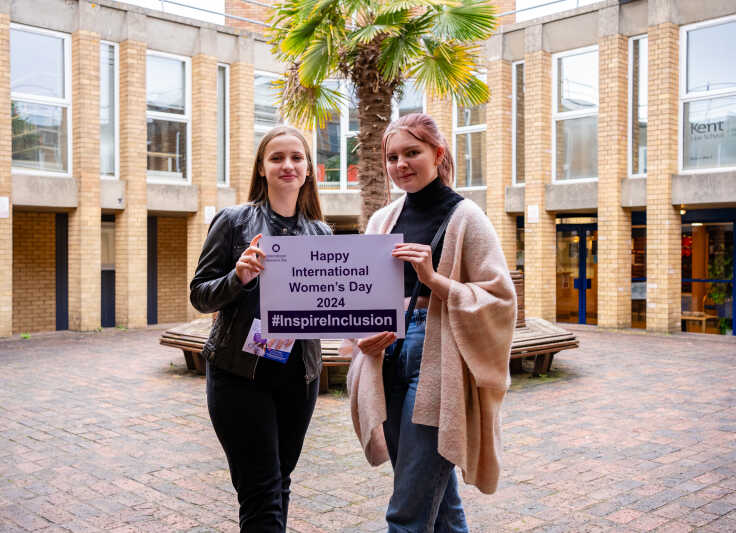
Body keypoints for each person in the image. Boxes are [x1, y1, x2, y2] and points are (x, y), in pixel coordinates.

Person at [343, 113, 516, 533]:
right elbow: (360, 293)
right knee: (432, 494)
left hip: (437, 359)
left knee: (408, 509)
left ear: (438, 154)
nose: (401, 164)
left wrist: (434, 280)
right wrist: (362, 334)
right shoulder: (381, 220)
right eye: (392, 156)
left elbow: (500, 298)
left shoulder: (467, 217)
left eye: (412, 152)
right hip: (388, 354)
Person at [189, 125, 331, 532]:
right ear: (262, 168)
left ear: (308, 170)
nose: (287, 165)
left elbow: (328, 303)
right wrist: (238, 277)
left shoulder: (320, 233)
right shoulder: (234, 222)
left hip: (298, 379)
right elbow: (200, 295)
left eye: (296, 158)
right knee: (261, 493)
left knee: (279, 485)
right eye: (277, 158)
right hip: (240, 377)